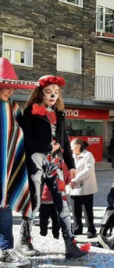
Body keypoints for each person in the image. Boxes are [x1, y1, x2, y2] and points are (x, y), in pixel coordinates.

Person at [19, 75, 87, 259]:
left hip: (56, 164)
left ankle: (70, 244)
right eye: (49, 91)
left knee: (63, 204)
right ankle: (24, 241)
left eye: (56, 92)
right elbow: (26, 142)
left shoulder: (60, 114)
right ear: (40, 93)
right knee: (35, 203)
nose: (53, 95)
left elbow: (64, 141)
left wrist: (71, 164)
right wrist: (47, 147)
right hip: (36, 162)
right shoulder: (29, 113)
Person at [0, 57, 35, 267]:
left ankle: (5, 251)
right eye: (6, 87)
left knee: (4, 209)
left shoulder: (14, 109)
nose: (10, 92)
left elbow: (25, 135)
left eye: (12, 88)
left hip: (5, 170)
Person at [69, 138, 98, 238]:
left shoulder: (88, 155)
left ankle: (91, 230)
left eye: (72, 146)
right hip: (74, 187)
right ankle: (77, 228)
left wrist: (75, 179)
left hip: (85, 187)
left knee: (87, 210)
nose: (71, 148)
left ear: (78, 146)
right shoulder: (71, 156)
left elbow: (88, 170)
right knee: (75, 210)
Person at [39, 163, 71, 240]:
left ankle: (46, 235)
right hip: (49, 202)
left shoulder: (43, 174)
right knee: (52, 221)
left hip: (48, 202)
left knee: (46, 220)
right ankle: (53, 235)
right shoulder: (56, 174)